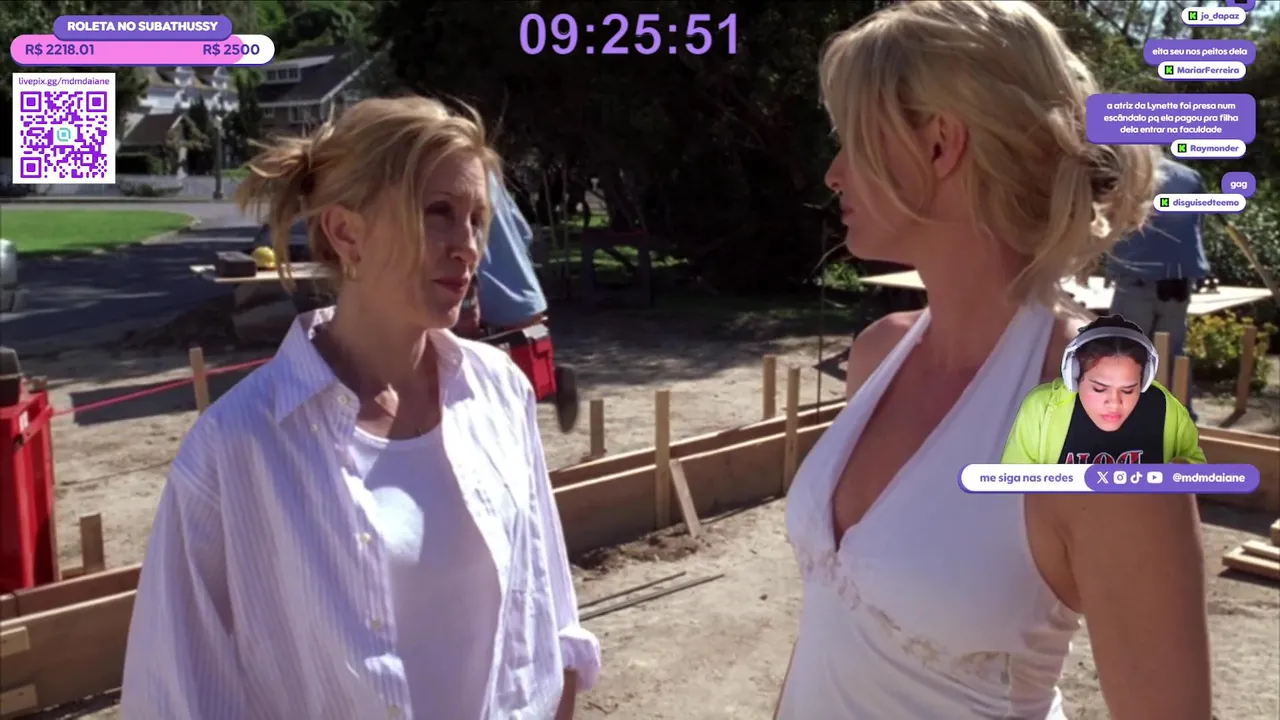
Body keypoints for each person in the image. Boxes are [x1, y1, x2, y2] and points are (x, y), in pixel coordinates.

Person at [777, 2, 1209, 719]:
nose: (833, 173)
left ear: (940, 144)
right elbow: (829, 634)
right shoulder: (878, 354)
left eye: (851, 139)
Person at [120, 96, 601, 719]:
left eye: (477, 219)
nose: (468, 247)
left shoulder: (499, 392)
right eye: (438, 213)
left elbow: (549, 616)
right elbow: (175, 695)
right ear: (347, 232)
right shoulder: (236, 449)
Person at [1001, 315, 1205, 465]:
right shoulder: (1041, 408)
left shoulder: (1165, 408)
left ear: (1144, 382)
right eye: (1099, 389)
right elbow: (1009, 486)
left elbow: (1198, 471)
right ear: (1074, 376)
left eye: (1128, 390)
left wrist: (1182, 472)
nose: (1114, 402)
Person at [1107, 157, 1210, 365]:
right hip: (1178, 280)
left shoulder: (1129, 175)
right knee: (1171, 358)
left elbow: (1110, 223)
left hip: (1136, 278)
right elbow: (1198, 226)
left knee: (1125, 355)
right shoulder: (1190, 177)